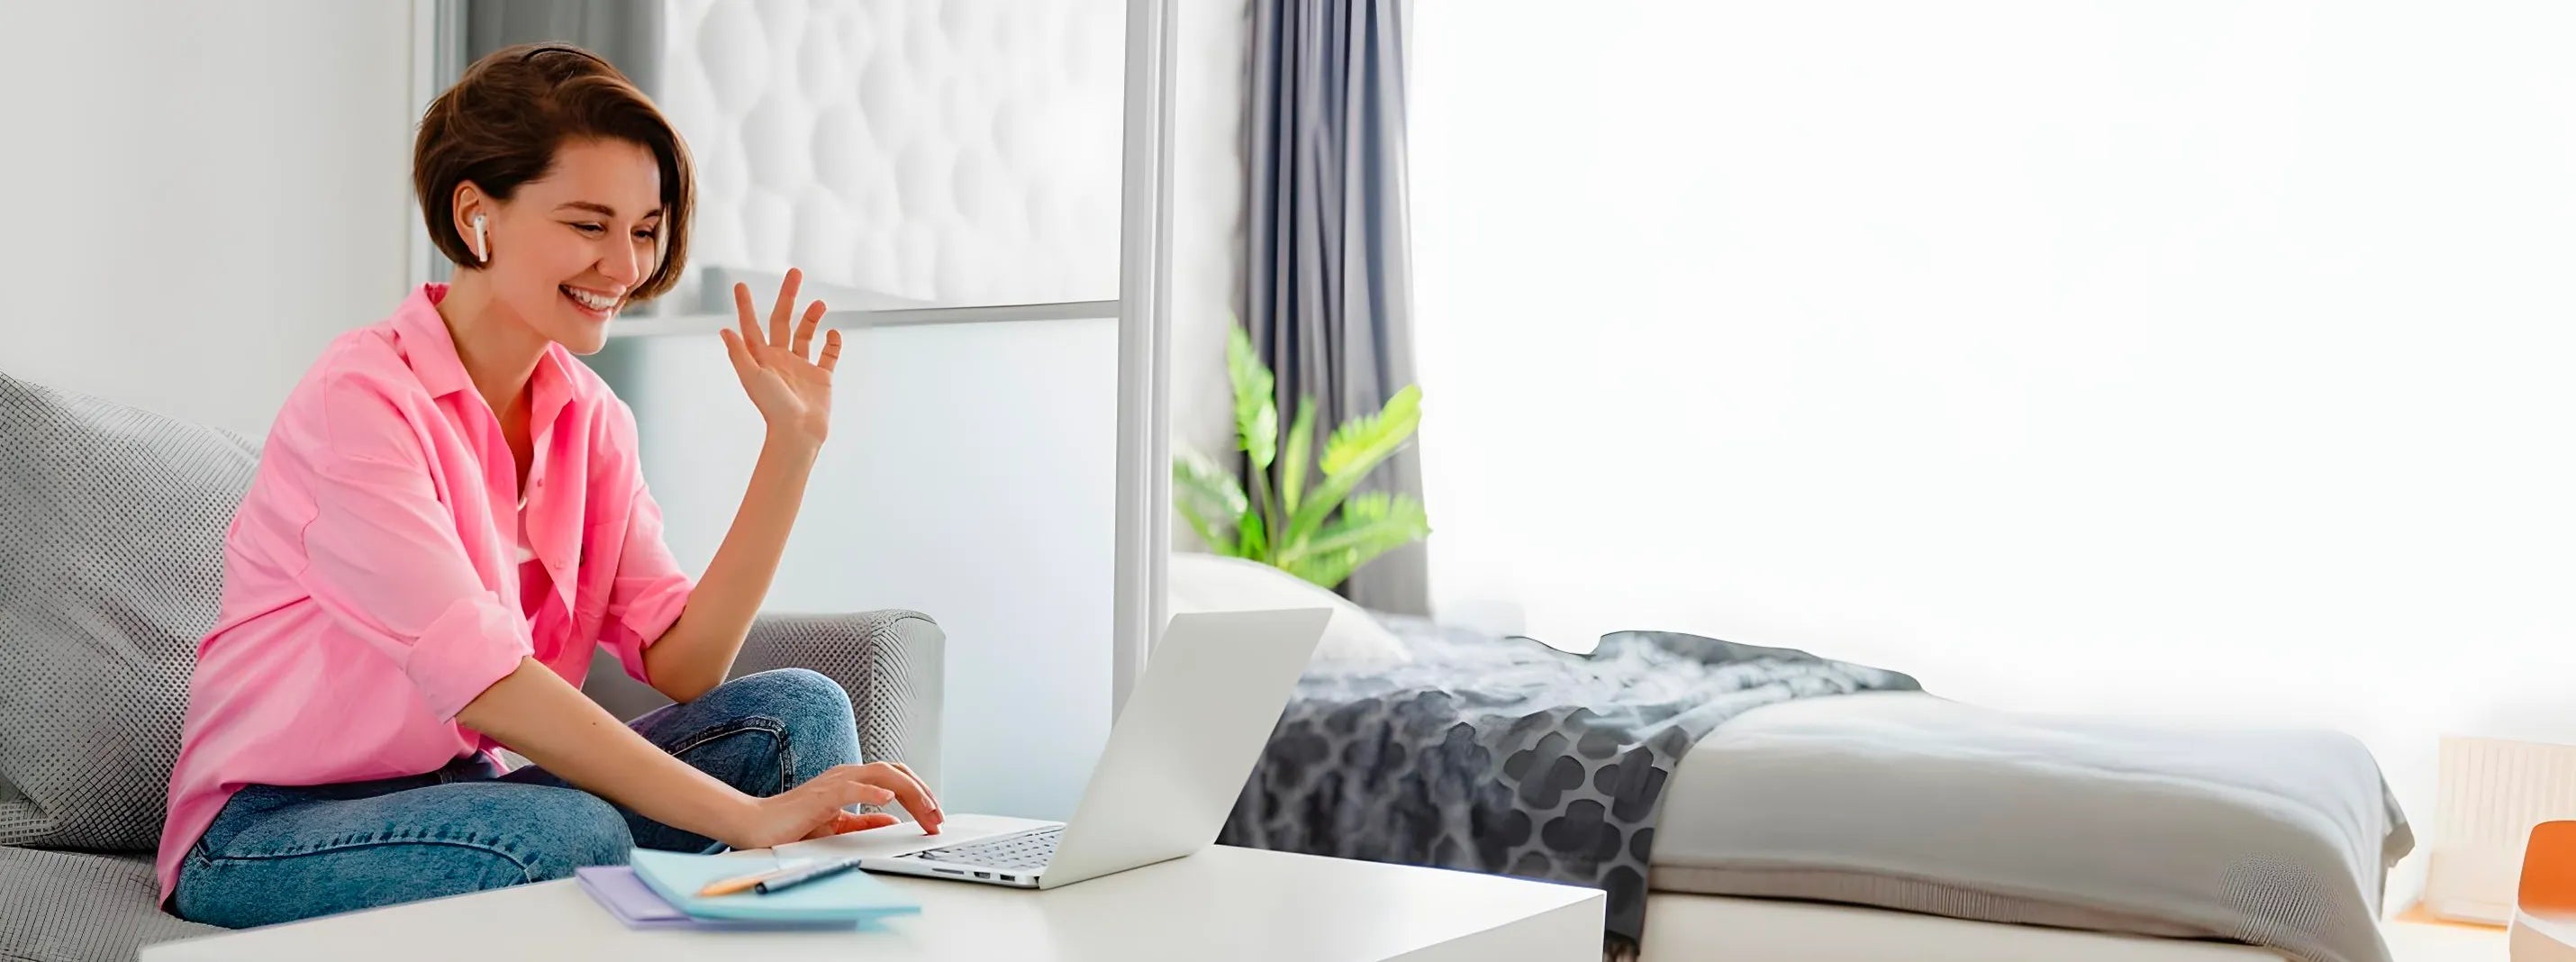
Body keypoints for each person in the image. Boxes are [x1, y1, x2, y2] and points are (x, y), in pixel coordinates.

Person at [155, 42, 940, 928]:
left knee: (798, 714)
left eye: (644, 230)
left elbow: (686, 663)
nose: (625, 267)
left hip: (463, 796)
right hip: (265, 830)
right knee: (568, 837)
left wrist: (790, 449)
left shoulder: (593, 420)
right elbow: (488, 682)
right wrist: (743, 819)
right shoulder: (360, 401)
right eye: (588, 224)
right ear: (477, 215)